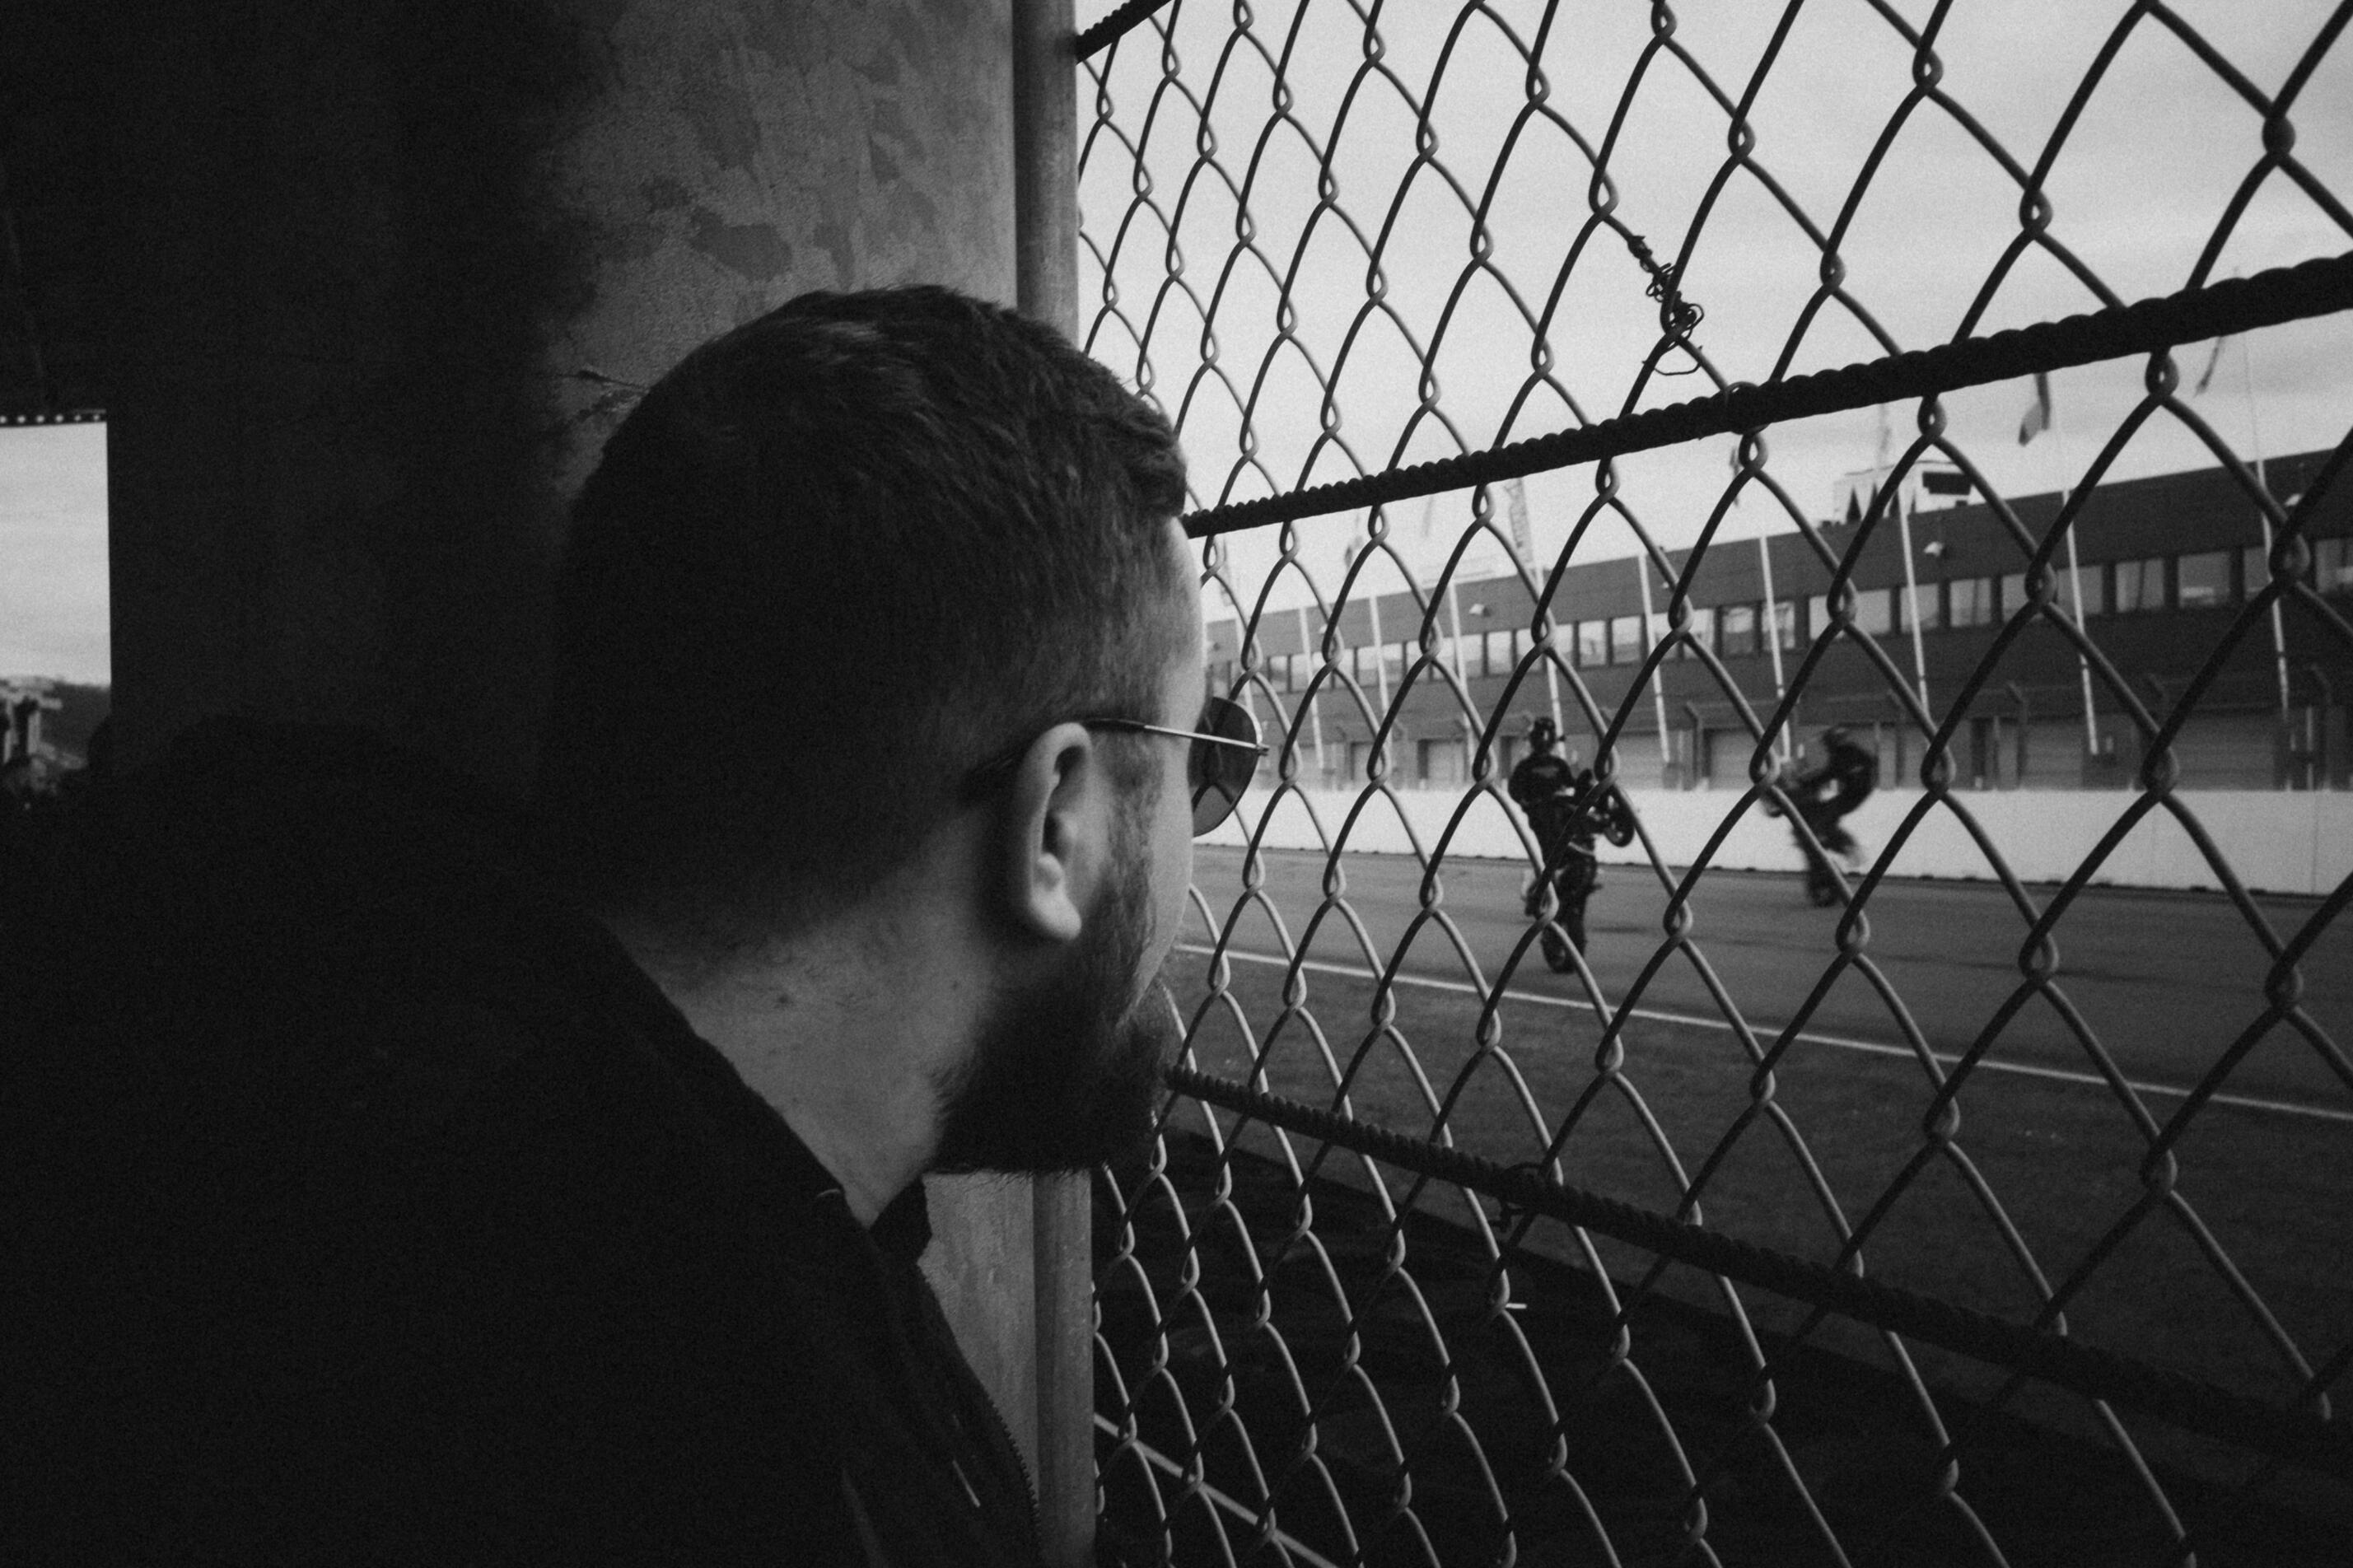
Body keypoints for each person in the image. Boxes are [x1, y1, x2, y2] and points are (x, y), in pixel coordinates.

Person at [5, 287, 1264, 1565]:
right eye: (1200, 756)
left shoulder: (261, 1069)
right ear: (1055, 820)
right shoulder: (680, 1441)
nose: (1200, 827)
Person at [1506, 716, 1633, 968]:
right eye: (1541, 737)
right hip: (1543, 815)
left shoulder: (1558, 764)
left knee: (1582, 801)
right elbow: (1515, 792)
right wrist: (1528, 802)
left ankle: (1606, 816)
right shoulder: (1525, 766)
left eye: (1547, 738)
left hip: (1563, 809)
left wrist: (1583, 788)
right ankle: (1542, 885)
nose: (1545, 742)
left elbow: (1572, 786)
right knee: (1553, 841)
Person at [1777, 725, 1879, 905]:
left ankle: (1839, 842)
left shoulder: (1844, 756)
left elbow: (1827, 774)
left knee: (1822, 819)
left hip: (1853, 794)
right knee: (1823, 817)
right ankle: (1837, 842)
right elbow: (1827, 774)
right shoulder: (1850, 754)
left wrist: (1804, 782)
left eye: (1827, 743)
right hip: (1853, 793)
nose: (1826, 747)